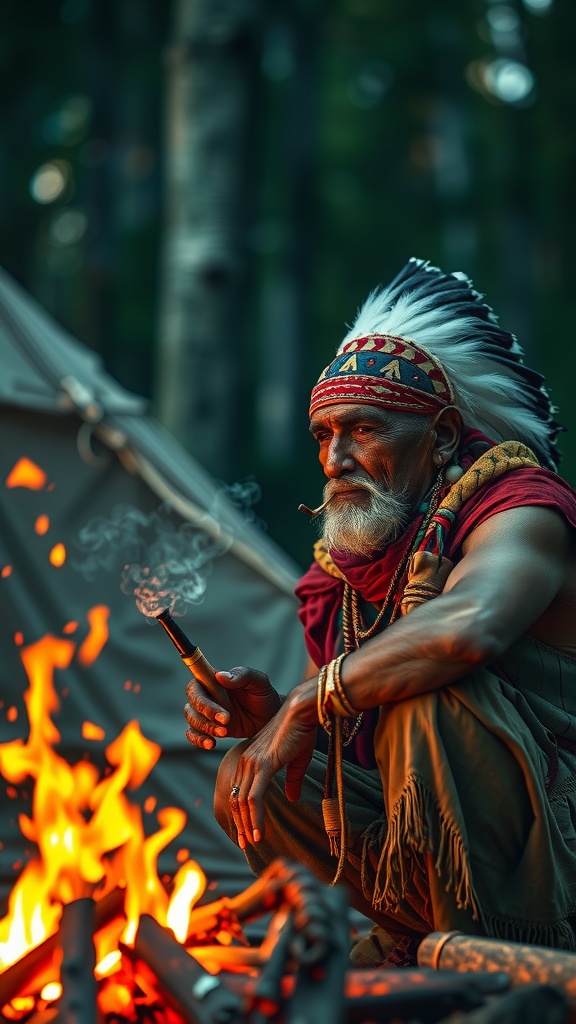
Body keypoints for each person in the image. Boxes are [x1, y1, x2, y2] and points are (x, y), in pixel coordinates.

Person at [183, 258, 576, 963]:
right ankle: (417, 938)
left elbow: (468, 626)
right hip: (445, 865)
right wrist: (273, 716)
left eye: (363, 430)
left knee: (433, 694)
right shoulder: (341, 574)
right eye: (323, 436)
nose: (335, 457)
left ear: (446, 436)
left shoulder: (520, 507)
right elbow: (348, 731)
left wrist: (306, 704)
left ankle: (496, 955)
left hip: (561, 854)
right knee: (254, 774)